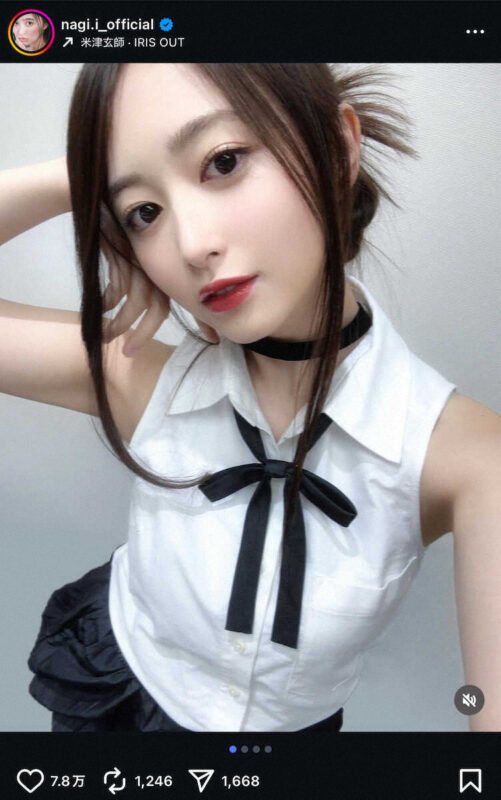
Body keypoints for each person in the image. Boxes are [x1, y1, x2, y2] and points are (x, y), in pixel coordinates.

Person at [0, 63, 500, 733]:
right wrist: (85, 176)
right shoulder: (145, 382)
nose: (190, 245)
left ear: (337, 147)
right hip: (111, 702)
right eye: (145, 213)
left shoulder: (468, 458)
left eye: (224, 162)